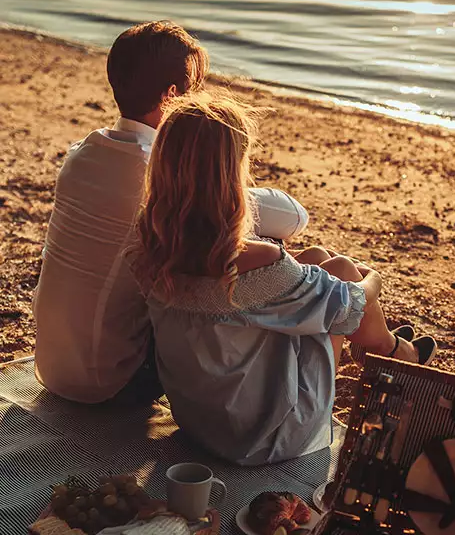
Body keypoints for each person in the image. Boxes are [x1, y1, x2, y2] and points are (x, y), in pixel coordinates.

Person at [130, 93, 437, 465]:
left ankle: (384, 351)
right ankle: (394, 353)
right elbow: (349, 306)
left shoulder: (151, 246)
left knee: (317, 261)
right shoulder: (257, 261)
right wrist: (374, 278)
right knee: (340, 271)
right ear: (231, 175)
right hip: (263, 438)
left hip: (199, 420)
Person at [33, 21, 309, 404]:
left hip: (51, 364)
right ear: (171, 96)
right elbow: (295, 218)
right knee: (251, 241)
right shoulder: (158, 176)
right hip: (111, 382)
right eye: (194, 90)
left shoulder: (83, 153)